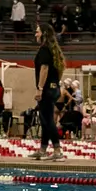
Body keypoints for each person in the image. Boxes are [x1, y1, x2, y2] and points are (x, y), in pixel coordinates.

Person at [31, 24, 66, 161]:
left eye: (37, 32)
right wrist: (55, 83)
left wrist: (40, 88)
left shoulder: (45, 49)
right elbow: (60, 69)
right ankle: (43, 149)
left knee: (48, 120)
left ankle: (57, 151)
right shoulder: (54, 50)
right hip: (53, 88)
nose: (35, 34)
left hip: (46, 90)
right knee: (44, 119)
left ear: (44, 33)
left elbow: (44, 69)